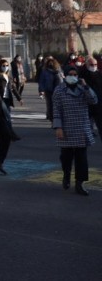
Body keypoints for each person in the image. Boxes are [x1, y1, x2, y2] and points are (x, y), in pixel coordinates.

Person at [52, 67, 98, 196]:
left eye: (75, 74)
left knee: (81, 158)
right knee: (66, 157)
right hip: (66, 127)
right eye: (70, 74)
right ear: (65, 75)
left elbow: (94, 100)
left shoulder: (82, 88)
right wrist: (58, 127)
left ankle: (80, 183)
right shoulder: (59, 90)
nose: (73, 76)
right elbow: (56, 110)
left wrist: (86, 86)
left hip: (81, 127)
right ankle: (66, 175)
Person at [0, 57, 21, 141]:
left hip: (7, 99)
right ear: (0, 66)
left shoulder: (8, 77)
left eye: (7, 65)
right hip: (0, 99)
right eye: (3, 65)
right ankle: (11, 134)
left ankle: (0, 134)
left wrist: (19, 98)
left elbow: (13, 88)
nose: (5, 67)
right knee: (7, 117)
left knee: (3, 118)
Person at [81, 56, 102, 137]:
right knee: (85, 127)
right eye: (91, 65)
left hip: (99, 104)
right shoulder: (82, 75)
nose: (94, 66)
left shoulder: (99, 74)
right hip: (86, 104)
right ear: (87, 65)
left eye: (95, 64)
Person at [38, 56, 63, 121]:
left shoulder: (58, 70)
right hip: (48, 90)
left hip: (58, 90)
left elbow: (62, 79)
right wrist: (41, 90)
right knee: (49, 104)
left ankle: (57, 116)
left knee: (57, 104)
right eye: (49, 62)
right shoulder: (45, 71)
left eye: (52, 62)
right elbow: (41, 81)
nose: (51, 64)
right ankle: (50, 116)